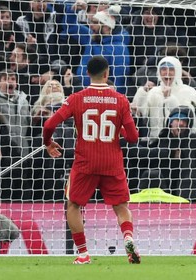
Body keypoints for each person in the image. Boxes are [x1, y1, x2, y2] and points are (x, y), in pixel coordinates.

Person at [42, 56, 140, 264]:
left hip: (85, 162)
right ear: (107, 74)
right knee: (121, 206)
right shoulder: (120, 99)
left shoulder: (77, 98)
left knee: (74, 205)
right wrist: (118, 129)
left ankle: (84, 253)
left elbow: (49, 124)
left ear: (87, 74)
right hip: (112, 162)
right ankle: (128, 238)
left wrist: (48, 143)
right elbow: (133, 138)